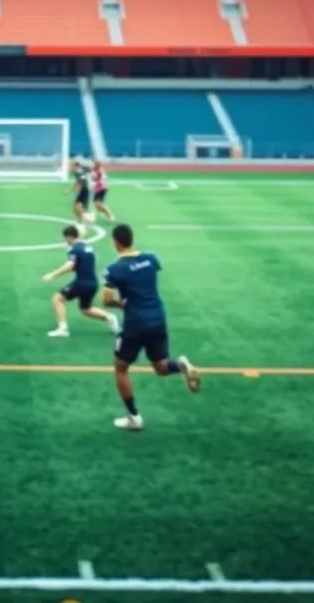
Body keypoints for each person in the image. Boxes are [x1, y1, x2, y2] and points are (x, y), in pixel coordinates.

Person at [101, 223, 201, 431]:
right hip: (157, 317)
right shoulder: (151, 259)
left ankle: (134, 418)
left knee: (120, 368)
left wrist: (121, 303)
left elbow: (106, 299)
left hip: (136, 323)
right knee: (161, 367)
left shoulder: (114, 269)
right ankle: (180, 365)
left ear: (115, 243)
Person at [42, 225, 118, 338]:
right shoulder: (89, 248)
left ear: (69, 237)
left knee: (58, 298)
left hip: (82, 282)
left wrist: (53, 274)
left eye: (65, 238)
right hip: (93, 283)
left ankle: (62, 329)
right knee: (86, 309)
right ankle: (109, 317)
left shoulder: (74, 249)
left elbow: (70, 265)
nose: (65, 241)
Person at [64, 158, 92, 230]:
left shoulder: (78, 172)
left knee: (76, 207)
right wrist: (70, 190)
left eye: (72, 165)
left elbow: (79, 182)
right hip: (86, 189)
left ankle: (84, 221)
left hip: (84, 190)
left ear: (76, 166)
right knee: (76, 207)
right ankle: (82, 221)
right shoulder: (82, 170)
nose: (71, 167)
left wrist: (74, 190)